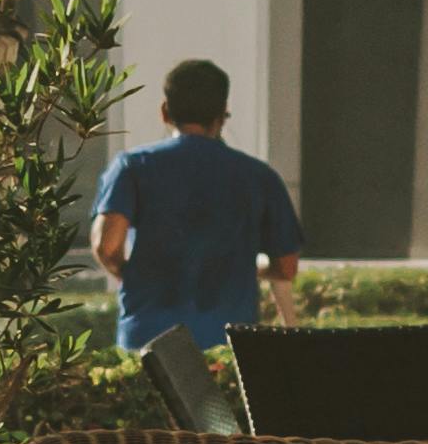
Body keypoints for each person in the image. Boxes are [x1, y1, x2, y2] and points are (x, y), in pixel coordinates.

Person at [91, 58, 306, 367]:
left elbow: (106, 246)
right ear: (221, 117)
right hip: (230, 347)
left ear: (165, 112)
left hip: (148, 341)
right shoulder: (260, 177)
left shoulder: (131, 168)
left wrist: (134, 277)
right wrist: (247, 270)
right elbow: (287, 267)